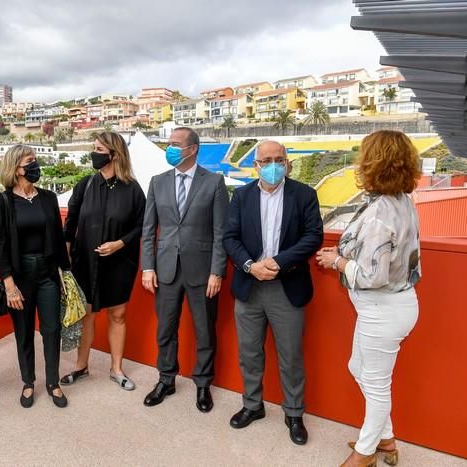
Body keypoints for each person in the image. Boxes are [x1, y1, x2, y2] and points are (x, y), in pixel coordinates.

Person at [316, 130, 421, 467]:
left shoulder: (380, 212)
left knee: (375, 385)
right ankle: (385, 439)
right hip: (393, 305)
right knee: (357, 368)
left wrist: (338, 261)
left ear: (374, 163)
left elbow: (373, 277)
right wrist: (347, 253)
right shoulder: (401, 202)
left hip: (383, 308)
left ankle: (365, 453)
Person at [222, 140, 323, 445]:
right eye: (267, 160)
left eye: (279, 159)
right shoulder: (240, 196)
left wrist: (277, 263)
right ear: (256, 165)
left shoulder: (304, 194)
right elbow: (230, 237)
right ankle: (252, 406)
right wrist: (251, 265)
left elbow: (313, 236)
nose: (273, 165)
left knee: (290, 355)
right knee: (249, 353)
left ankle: (294, 413)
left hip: (286, 285)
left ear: (288, 163)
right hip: (249, 285)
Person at [140, 127, 229, 412]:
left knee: (205, 331)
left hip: (202, 272)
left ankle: (203, 384)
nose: (170, 148)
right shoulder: (158, 182)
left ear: (192, 149)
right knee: (165, 329)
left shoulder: (214, 182)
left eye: (175, 144)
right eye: (169, 144)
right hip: (165, 269)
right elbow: (148, 230)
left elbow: (220, 232)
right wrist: (147, 267)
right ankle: (166, 379)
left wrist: (217, 271)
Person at [60, 131, 146, 391]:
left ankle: (116, 369)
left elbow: (143, 224)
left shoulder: (133, 189)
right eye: (94, 147)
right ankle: (80, 366)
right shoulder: (85, 184)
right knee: (87, 314)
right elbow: (70, 222)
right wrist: (65, 261)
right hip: (84, 261)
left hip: (120, 263)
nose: (94, 153)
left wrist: (120, 243)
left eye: (99, 148)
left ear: (114, 154)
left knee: (117, 314)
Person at [0, 144, 70, 408]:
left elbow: (58, 238)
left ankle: (53, 382)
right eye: (30, 162)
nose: (35, 166)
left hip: (48, 273)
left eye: (35, 161)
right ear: (16, 168)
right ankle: (28, 382)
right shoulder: (2, 202)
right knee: (23, 331)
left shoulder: (47, 198)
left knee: (52, 329)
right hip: (19, 276)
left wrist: (64, 274)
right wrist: (9, 284)